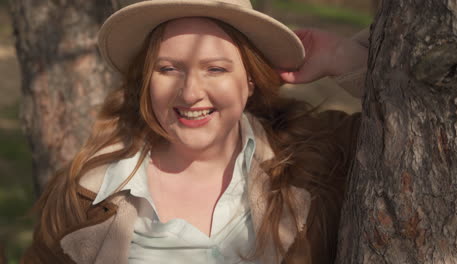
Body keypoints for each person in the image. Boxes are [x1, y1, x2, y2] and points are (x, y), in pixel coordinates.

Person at [22, 0, 368, 263]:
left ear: (249, 80)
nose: (190, 93)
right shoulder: (86, 195)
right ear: (146, 80)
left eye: (215, 69)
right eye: (169, 68)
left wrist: (345, 57)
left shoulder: (319, 156)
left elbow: (415, 125)